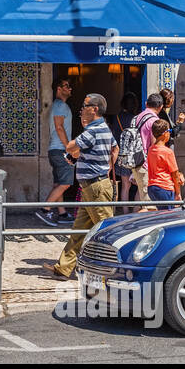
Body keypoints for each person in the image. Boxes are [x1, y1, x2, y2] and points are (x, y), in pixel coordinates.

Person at [44, 93, 117, 280]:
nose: (81, 109)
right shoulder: (102, 128)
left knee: (106, 231)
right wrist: (107, 167)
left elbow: (69, 146)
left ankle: (114, 272)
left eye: (85, 106)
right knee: (79, 229)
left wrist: (101, 169)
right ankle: (64, 268)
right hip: (91, 186)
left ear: (94, 109)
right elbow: (114, 148)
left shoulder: (93, 130)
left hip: (96, 187)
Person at [37, 78, 75, 226]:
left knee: (58, 183)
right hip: (60, 150)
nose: (70, 88)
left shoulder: (59, 105)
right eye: (67, 86)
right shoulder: (60, 106)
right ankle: (44, 210)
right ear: (59, 89)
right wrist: (68, 147)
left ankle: (62, 213)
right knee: (65, 183)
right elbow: (59, 127)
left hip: (55, 150)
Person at [145, 120, 183, 211]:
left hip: (152, 188)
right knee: (167, 215)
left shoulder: (151, 149)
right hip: (164, 188)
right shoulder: (167, 152)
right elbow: (175, 174)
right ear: (165, 134)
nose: (170, 134)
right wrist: (178, 193)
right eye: (169, 131)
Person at [114, 92, 140, 202]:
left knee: (125, 186)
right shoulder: (135, 119)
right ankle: (135, 211)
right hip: (134, 156)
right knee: (139, 185)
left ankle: (125, 211)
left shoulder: (117, 118)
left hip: (122, 154)